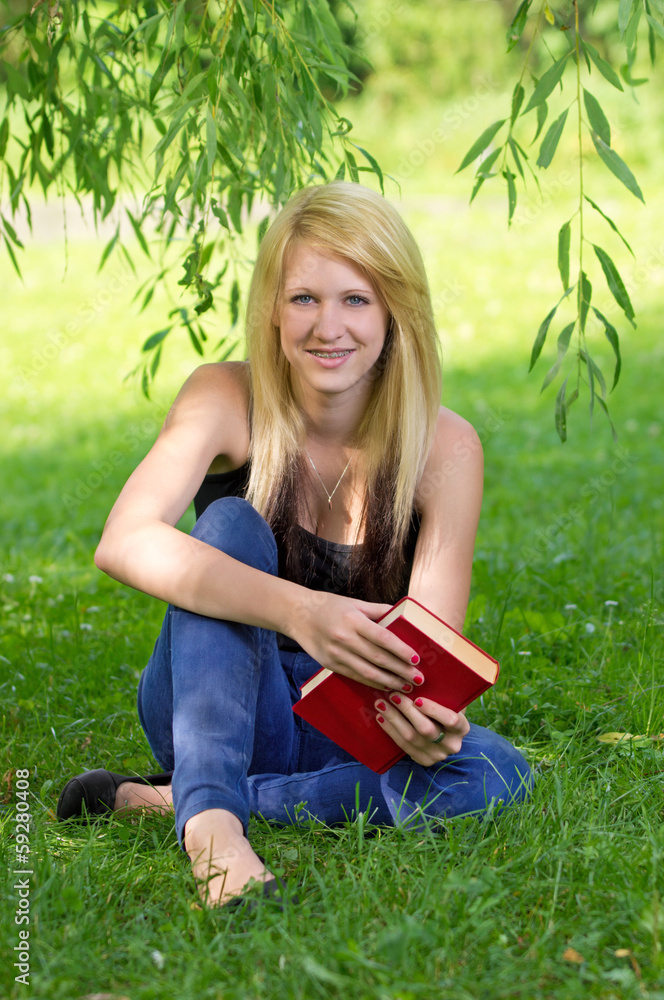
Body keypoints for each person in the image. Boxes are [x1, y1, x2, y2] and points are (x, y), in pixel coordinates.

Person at [57, 181, 531, 908]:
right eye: (304, 298)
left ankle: (181, 798)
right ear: (273, 310)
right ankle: (214, 832)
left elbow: (428, 655)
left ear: (395, 311)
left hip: (345, 723)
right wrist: (303, 612)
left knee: (494, 770)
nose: (327, 327)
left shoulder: (445, 447)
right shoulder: (223, 397)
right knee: (229, 527)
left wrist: (427, 723)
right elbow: (124, 540)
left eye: (356, 299)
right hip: (214, 699)